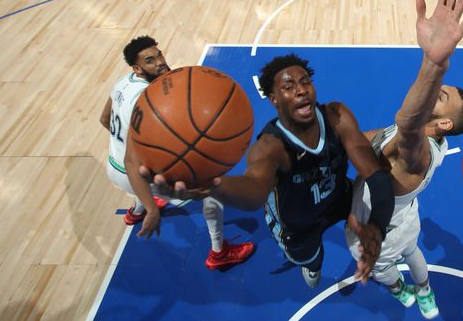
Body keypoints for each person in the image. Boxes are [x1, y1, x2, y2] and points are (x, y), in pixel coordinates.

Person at [147, 58, 396, 287]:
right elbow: (255, 190)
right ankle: (311, 266)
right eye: (289, 87)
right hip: (299, 224)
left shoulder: (335, 117)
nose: (301, 90)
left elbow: (376, 175)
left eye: (305, 82)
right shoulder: (270, 146)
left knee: (373, 211)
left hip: (339, 197)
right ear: (274, 99)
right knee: (313, 263)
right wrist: (215, 187)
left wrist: (377, 226)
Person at [345, 0, 463, 319]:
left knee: (385, 273)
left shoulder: (417, 155)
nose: (437, 92)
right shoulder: (428, 139)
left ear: (445, 122)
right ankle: (425, 290)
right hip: (405, 223)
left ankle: (411, 291)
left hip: (379, 234)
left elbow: (404, 128)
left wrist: (432, 65)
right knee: (415, 254)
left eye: (442, 94)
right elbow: (383, 134)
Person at [100, 36, 255, 269]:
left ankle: (135, 211)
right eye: (150, 60)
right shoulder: (148, 98)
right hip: (134, 173)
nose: (160, 62)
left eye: (159, 55)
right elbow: (132, 161)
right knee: (211, 190)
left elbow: (104, 119)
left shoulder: (123, 83)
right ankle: (219, 252)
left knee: (137, 181)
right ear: (137, 67)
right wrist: (153, 206)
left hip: (113, 166)